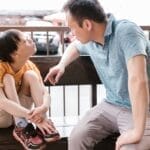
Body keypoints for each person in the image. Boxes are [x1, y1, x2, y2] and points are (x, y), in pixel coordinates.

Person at [44, 0, 150, 150]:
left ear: (87, 25)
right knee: (76, 137)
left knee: (129, 148)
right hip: (110, 105)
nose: (71, 34)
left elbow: (138, 80)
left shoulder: (127, 31)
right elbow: (75, 46)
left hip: (140, 109)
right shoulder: (91, 40)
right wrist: (61, 65)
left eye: (72, 28)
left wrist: (137, 133)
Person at [0, 29, 60, 150]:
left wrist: (43, 108)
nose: (31, 40)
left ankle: (44, 123)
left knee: (31, 75)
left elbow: (44, 93)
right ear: (15, 54)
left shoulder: (29, 65)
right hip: (3, 117)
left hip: (22, 114)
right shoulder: (1, 67)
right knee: (8, 78)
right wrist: (31, 116)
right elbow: (2, 102)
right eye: (26, 41)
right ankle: (21, 126)